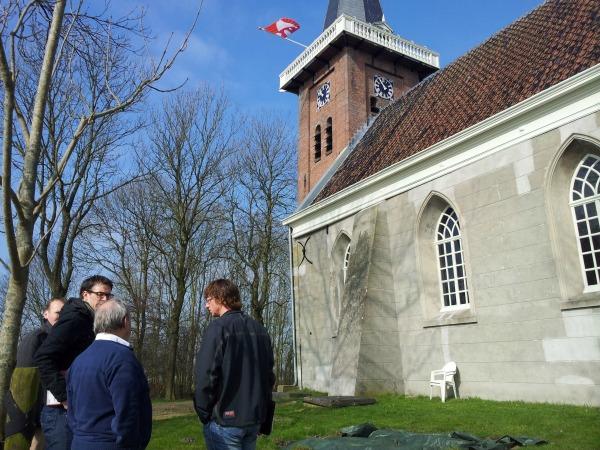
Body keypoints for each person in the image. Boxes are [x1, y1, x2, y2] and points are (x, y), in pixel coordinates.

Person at [194, 279, 275, 450]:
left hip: (225, 422)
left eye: (208, 300)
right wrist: (262, 414)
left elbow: (205, 377)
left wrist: (205, 414)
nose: (206, 306)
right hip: (253, 420)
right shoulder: (260, 330)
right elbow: (269, 378)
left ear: (220, 298)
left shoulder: (218, 329)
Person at [34, 275, 113, 450]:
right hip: (61, 412)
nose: (105, 299)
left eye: (108, 295)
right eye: (100, 294)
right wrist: (64, 396)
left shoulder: (91, 320)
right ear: (85, 294)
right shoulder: (75, 319)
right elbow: (44, 357)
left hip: (79, 408)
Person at [67, 298, 152, 450]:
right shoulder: (122, 359)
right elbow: (128, 415)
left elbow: (72, 411)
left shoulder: (78, 360)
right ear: (125, 321)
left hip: (79, 443)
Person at [12, 298, 65, 450]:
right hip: (38, 412)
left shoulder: (63, 339)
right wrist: (32, 416)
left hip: (55, 410)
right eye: (57, 312)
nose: (61, 316)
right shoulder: (36, 338)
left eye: (65, 313)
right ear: (45, 314)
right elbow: (25, 379)